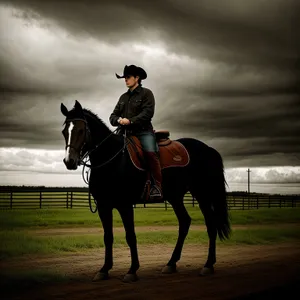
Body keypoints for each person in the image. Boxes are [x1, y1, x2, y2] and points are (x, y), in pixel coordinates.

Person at [109, 65, 163, 200]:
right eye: (124, 78)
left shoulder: (146, 93)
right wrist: (119, 120)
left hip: (143, 132)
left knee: (150, 153)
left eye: (128, 77)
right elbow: (112, 116)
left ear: (137, 78)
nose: (125, 80)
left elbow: (148, 113)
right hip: (124, 133)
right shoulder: (122, 97)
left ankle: (157, 186)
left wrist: (130, 121)